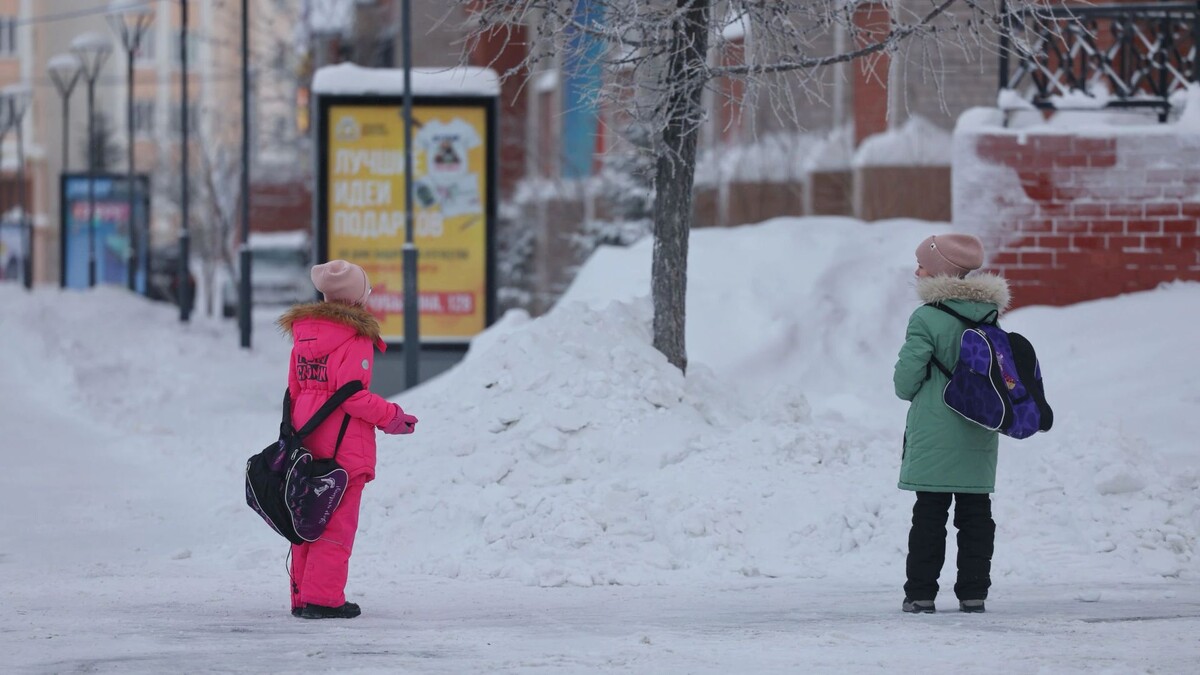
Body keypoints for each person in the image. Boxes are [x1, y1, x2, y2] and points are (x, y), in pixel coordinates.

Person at [276, 259, 419, 619]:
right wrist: (393, 418)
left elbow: (293, 391)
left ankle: (302, 597)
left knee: (306, 519)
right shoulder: (354, 338)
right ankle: (323, 600)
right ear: (358, 297)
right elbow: (353, 395)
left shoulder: (304, 336)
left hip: (305, 440)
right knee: (336, 525)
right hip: (343, 444)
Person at [892, 233, 1011, 614]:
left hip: (935, 430)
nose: (917, 270)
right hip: (980, 426)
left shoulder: (927, 317)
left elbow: (905, 381)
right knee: (977, 515)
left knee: (929, 515)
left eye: (923, 264)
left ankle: (921, 594)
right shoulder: (990, 314)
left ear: (940, 270)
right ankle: (974, 593)